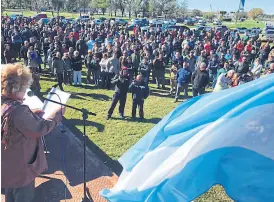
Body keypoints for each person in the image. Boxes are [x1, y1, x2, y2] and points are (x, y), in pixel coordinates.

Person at [1, 63, 65, 202]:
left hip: (8, 164)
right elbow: (40, 129)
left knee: (10, 195)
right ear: (16, 88)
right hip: (21, 168)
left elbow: (16, 122)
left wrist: (31, 113)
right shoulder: (19, 111)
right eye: (24, 89)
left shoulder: (4, 103)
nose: (25, 92)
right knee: (23, 196)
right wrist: (56, 116)